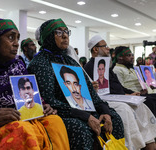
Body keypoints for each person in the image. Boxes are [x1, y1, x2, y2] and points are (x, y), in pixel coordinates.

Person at [0, 18, 70, 150]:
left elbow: (29, 98)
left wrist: (42, 106)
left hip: (17, 122)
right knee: (21, 129)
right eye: (11, 37)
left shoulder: (17, 66)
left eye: (17, 38)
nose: (16, 43)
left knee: (55, 122)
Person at [28, 18, 125, 150]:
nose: (65, 36)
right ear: (48, 36)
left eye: (66, 32)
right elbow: (50, 101)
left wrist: (105, 112)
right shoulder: (40, 63)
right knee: (80, 129)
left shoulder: (70, 61)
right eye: (58, 32)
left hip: (84, 110)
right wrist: (86, 116)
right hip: (63, 113)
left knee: (114, 119)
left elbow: (91, 92)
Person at [84, 35, 156, 150]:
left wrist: (131, 93)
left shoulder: (106, 67)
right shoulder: (89, 67)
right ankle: (133, 144)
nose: (108, 49)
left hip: (120, 97)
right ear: (95, 49)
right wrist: (125, 96)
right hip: (107, 100)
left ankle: (148, 140)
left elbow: (118, 86)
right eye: (105, 46)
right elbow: (99, 92)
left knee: (142, 104)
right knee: (125, 109)